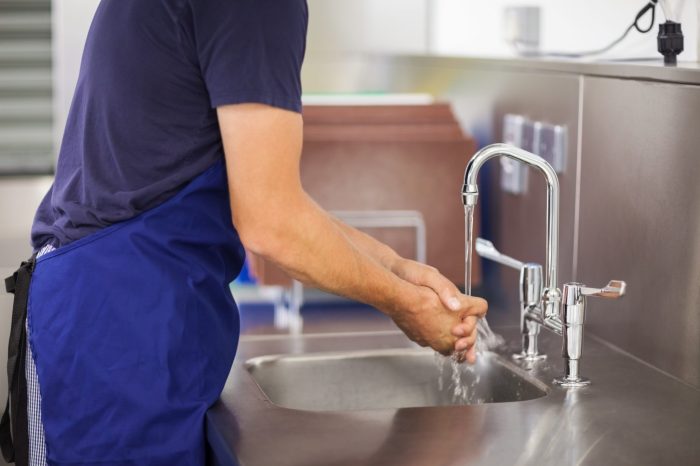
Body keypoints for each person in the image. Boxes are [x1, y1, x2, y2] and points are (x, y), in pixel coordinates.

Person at [1, 1, 487, 465]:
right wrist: (404, 304)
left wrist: (399, 270)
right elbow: (272, 224)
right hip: (115, 336)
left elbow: (273, 200)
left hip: (130, 319)